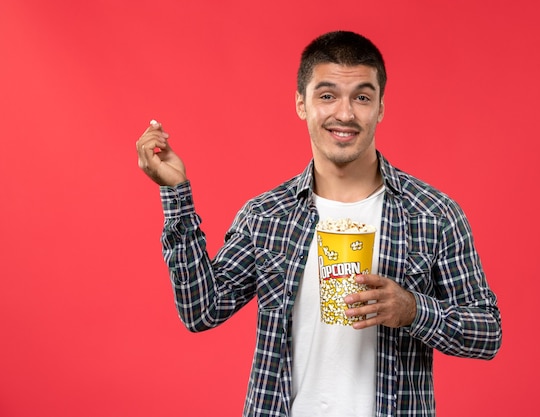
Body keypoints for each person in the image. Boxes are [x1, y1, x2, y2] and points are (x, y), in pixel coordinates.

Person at [136, 30, 502, 417]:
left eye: (362, 97)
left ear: (380, 107)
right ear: (301, 103)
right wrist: (176, 195)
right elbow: (201, 309)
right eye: (327, 96)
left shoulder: (433, 214)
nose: (345, 114)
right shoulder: (267, 216)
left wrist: (413, 310)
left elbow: (487, 334)